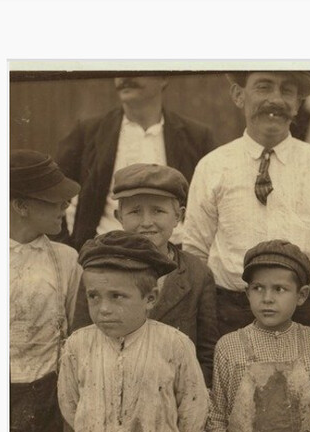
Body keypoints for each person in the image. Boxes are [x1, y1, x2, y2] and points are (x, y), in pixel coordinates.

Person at [183, 71, 310, 336]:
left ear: (298, 104)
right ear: (239, 96)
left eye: (287, 91)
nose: (275, 100)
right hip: (231, 316)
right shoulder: (213, 166)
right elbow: (195, 252)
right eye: (264, 88)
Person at [58, 231, 209, 432]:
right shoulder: (78, 346)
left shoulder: (174, 344)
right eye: (94, 296)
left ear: (150, 298)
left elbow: (193, 409)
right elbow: (70, 403)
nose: (103, 309)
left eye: (117, 296)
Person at [69, 163, 217, 386]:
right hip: (109, 390)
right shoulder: (98, 269)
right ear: (119, 216)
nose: (147, 222)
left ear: (179, 216)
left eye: (158, 211)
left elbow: (206, 355)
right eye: (135, 211)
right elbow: (80, 342)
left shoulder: (197, 274)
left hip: (171, 398)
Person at [57, 73, 216, 250]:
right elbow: (54, 192)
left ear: (164, 77)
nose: (124, 77)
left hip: (174, 255)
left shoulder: (196, 137)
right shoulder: (88, 132)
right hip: (104, 254)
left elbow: (211, 205)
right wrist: (66, 250)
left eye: (137, 67)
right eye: (120, 68)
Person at [204, 240, 310, 432]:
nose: (267, 298)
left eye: (279, 289)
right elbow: (218, 413)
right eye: (258, 288)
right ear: (247, 293)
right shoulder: (230, 346)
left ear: (302, 295)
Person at [9, 149, 82, 432]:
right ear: (20, 205)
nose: (64, 207)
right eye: (53, 201)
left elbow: (74, 332)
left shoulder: (66, 260)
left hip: (47, 400)